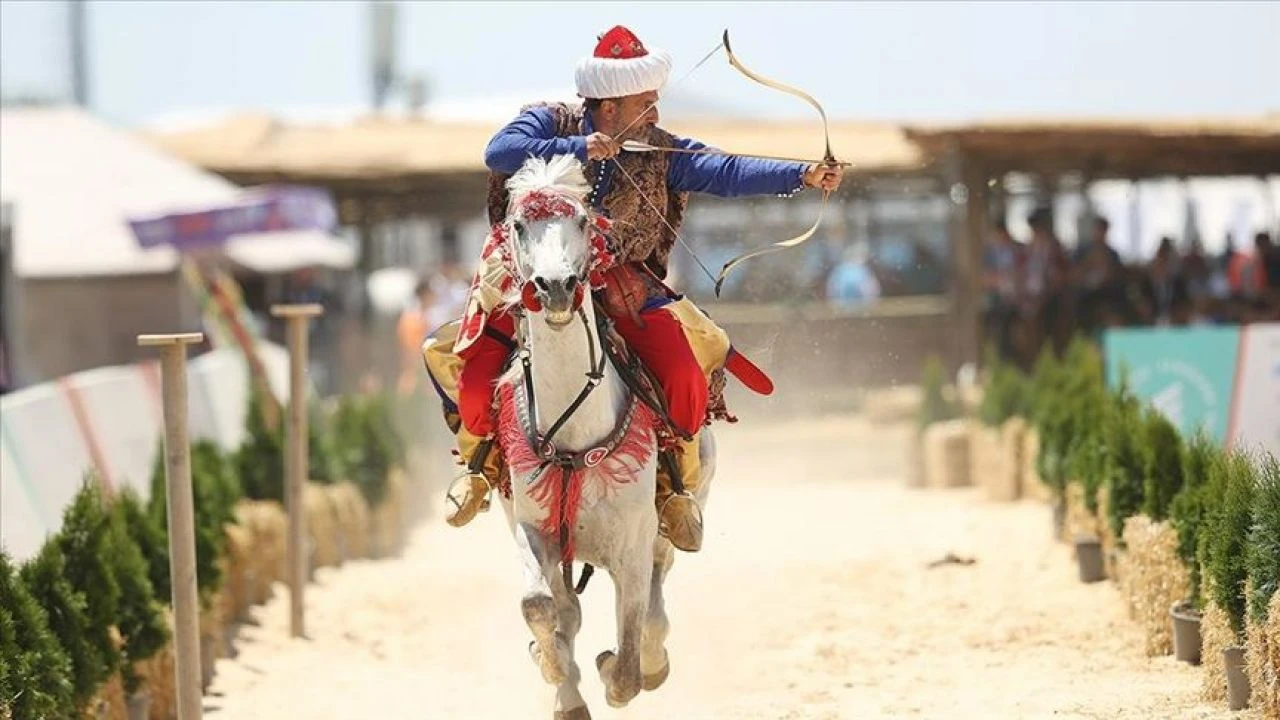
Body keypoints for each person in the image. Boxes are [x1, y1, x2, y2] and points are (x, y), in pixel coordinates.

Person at [421, 25, 843, 552]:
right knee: (475, 374)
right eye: (646, 102)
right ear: (610, 107)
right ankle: (480, 467)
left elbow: (724, 169)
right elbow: (500, 152)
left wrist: (802, 175)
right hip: (533, 279)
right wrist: (580, 148)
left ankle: (674, 488)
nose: (655, 112)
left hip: (619, 280)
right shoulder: (549, 121)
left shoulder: (660, 149)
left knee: (684, 375)